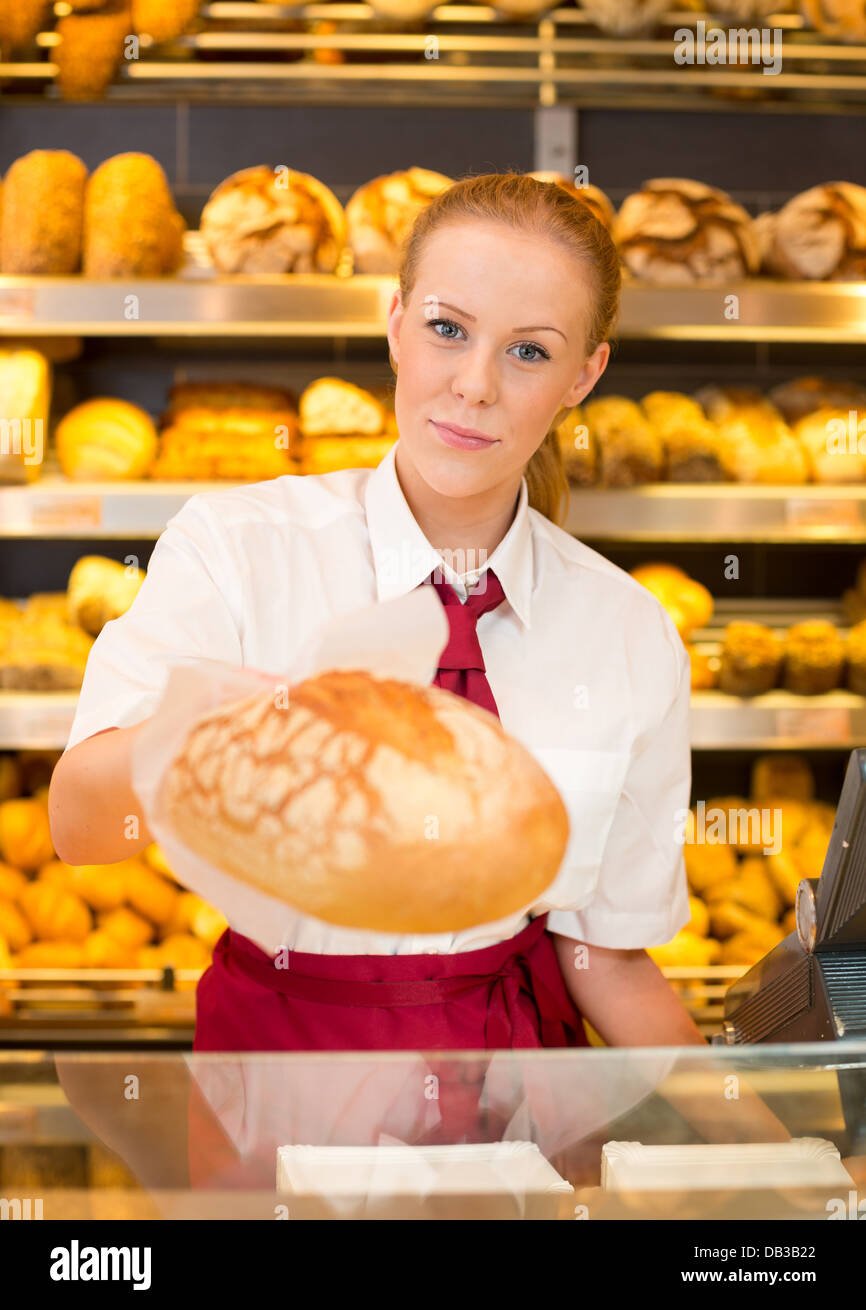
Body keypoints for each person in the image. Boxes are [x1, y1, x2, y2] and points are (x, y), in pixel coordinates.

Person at [47, 172, 718, 1060]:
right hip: (276, 1082)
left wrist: (768, 1148)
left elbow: (603, 954)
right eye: (448, 330)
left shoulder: (628, 633)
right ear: (397, 324)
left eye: (529, 352)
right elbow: (84, 830)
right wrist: (236, 719)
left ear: (583, 376)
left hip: (521, 1096)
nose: (474, 384)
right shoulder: (239, 548)